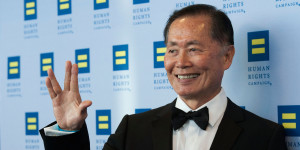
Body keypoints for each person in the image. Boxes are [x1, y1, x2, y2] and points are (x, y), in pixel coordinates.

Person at [40, 4, 287, 150]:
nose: (180, 62)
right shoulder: (132, 129)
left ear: (227, 57)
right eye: (172, 50)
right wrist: (69, 131)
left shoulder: (264, 137)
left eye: (193, 49)